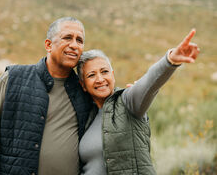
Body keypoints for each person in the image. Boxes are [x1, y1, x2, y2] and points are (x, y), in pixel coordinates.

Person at [0, 17, 91, 175]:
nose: (74, 45)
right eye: (67, 38)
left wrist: (130, 91)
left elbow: (112, 100)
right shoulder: (12, 78)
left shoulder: (84, 89)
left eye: (79, 40)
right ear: (48, 45)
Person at [77, 29, 200, 175]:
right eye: (91, 75)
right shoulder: (87, 115)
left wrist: (170, 60)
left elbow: (149, 83)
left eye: (104, 72)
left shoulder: (127, 101)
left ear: (112, 75)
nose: (100, 79)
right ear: (83, 85)